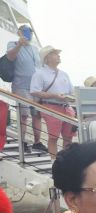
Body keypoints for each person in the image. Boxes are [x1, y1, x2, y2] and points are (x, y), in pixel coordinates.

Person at [29, 45, 73, 159]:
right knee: (53, 137)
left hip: (66, 107)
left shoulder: (64, 74)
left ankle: (67, 162)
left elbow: (71, 92)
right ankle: (54, 163)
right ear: (47, 57)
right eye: (55, 53)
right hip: (50, 107)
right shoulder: (39, 74)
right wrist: (54, 95)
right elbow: (34, 91)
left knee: (68, 137)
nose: (58, 56)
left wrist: (69, 98)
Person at [6, 25, 44, 153]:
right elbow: (10, 57)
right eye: (26, 31)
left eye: (31, 32)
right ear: (19, 32)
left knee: (37, 115)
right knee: (23, 115)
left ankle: (37, 142)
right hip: (21, 86)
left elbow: (40, 67)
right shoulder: (13, 44)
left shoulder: (35, 48)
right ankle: (21, 142)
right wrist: (19, 44)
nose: (29, 34)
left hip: (36, 88)